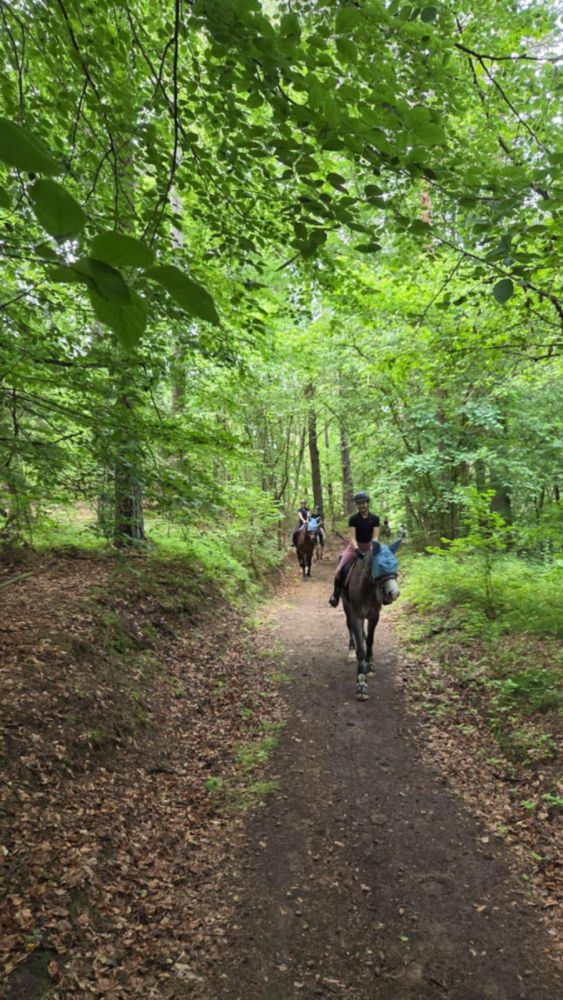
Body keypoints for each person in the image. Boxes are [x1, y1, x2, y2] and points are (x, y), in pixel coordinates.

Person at [328, 491, 380, 607]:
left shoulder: (375, 518)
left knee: (382, 568)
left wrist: (372, 549)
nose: (362, 506)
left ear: (367, 503)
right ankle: (335, 595)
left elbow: (375, 537)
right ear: (356, 505)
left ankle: (384, 595)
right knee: (339, 569)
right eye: (359, 504)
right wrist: (357, 550)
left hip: (370, 547)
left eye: (363, 503)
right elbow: (352, 537)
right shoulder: (353, 519)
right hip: (355, 547)